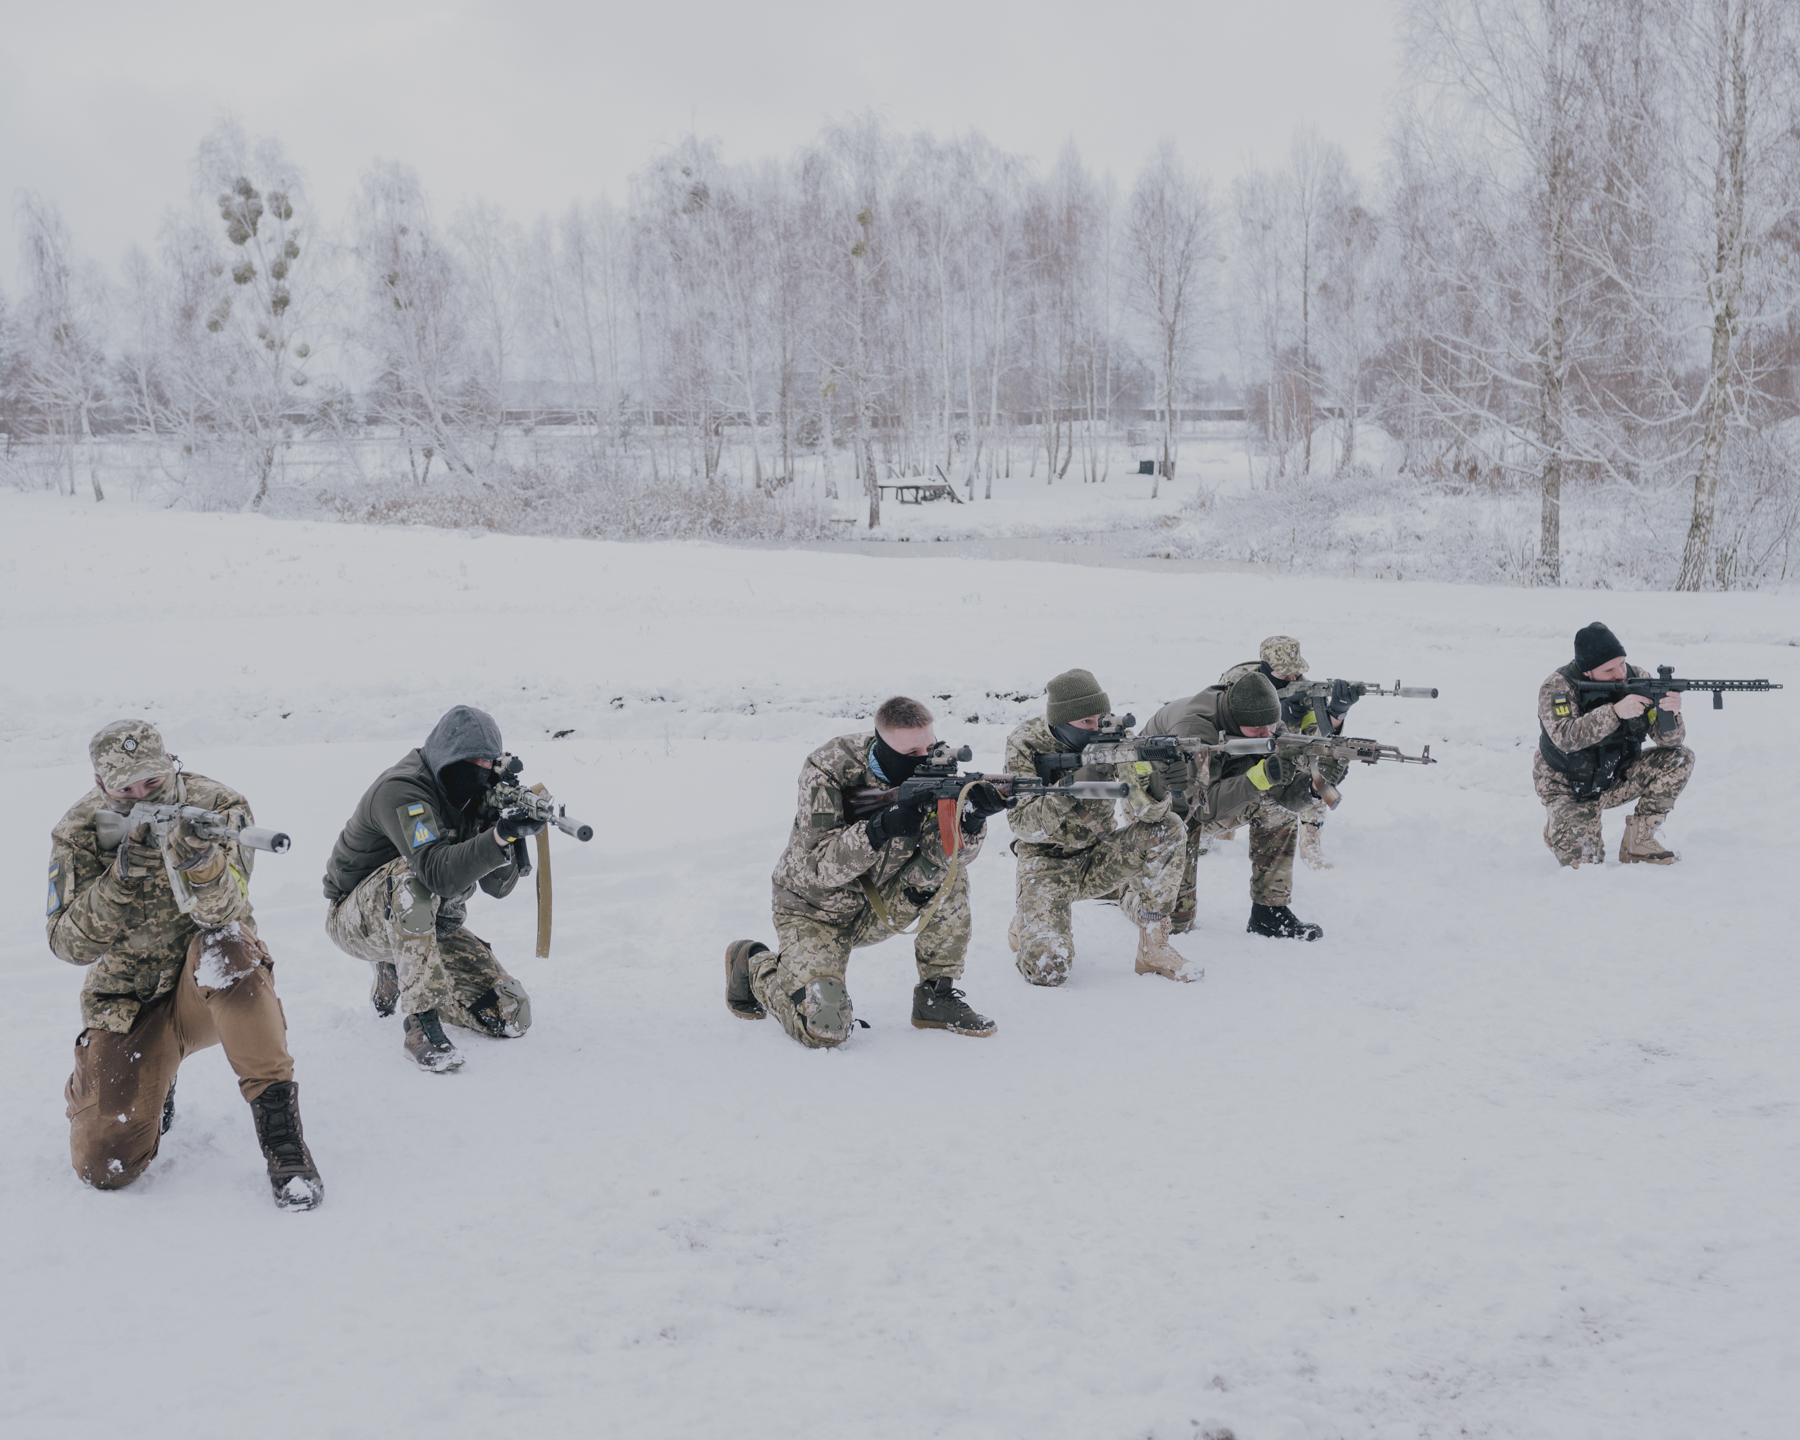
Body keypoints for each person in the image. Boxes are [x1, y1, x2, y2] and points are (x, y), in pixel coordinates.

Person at [48, 720, 322, 1209]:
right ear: (100, 785)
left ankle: (283, 1139)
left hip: (210, 991)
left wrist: (202, 865)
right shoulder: (80, 831)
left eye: (151, 783)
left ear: (171, 765)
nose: (139, 796)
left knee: (231, 945)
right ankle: (115, 1079)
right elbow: (69, 946)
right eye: (124, 789)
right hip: (128, 1004)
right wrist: (120, 879)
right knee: (103, 1165)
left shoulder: (218, 807)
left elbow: (224, 913)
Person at [725, 696, 1004, 1048]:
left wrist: (973, 819)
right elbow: (817, 867)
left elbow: (945, 857)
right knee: (826, 1027)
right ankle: (754, 965)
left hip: (879, 905)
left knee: (946, 874)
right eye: (913, 754)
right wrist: (879, 828)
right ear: (884, 747)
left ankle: (937, 996)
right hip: (814, 912)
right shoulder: (829, 767)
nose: (927, 759)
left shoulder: (938, 775)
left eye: (931, 748)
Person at [323, 705, 544, 1072]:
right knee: (414, 881)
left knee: (509, 1013)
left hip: (427, 921)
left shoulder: (473, 795)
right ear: (446, 755)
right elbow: (435, 874)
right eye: (470, 760)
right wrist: (498, 836)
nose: (480, 769)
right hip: (354, 916)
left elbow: (496, 888)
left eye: (488, 762)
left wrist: (500, 829)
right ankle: (420, 1024)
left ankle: (398, 968)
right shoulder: (402, 790)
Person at [1003, 669, 1199, 985]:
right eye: (1086, 723)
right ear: (1061, 722)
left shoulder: (1117, 741)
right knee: (1049, 971)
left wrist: (1160, 788)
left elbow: (1148, 814)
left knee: (1168, 828)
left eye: (1101, 718)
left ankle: (1154, 948)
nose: (1097, 728)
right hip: (1046, 865)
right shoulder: (1026, 742)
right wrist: (1074, 785)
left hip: (1100, 854)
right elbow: (1024, 825)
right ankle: (1027, 919)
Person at [1141, 671, 1341, 941]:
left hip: (1211, 786)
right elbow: (1197, 808)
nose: (1267, 734)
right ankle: (1129, 894)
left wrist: (1314, 788)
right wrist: (1260, 776)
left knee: (1274, 807)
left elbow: (1285, 798)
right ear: (1236, 720)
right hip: (1156, 799)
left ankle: (1269, 912)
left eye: (1272, 726)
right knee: (1175, 922)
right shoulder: (1195, 729)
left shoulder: (1267, 724)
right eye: (1258, 731)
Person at [1535, 621, 1691, 866]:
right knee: (1586, 866)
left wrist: (1669, 713)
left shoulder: (1638, 678)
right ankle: (1563, 822)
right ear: (1588, 672)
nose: (1620, 674)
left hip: (1616, 776)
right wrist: (1615, 712)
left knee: (1679, 758)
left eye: (1621, 663)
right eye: (1609, 671)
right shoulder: (1557, 688)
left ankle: (1639, 839)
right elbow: (1565, 737)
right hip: (1569, 786)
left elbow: (1669, 741)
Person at [1219, 635, 1350, 869]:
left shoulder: (1305, 689)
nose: (1292, 679)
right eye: (1283, 675)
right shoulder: (1237, 681)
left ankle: (1310, 835)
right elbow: (1223, 734)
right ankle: (1223, 826)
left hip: (1287, 758)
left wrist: (1336, 716)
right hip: (1244, 760)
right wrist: (1275, 717)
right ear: (1266, 669)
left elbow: (1317, 738)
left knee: (1319, 764)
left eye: (1295, 673)